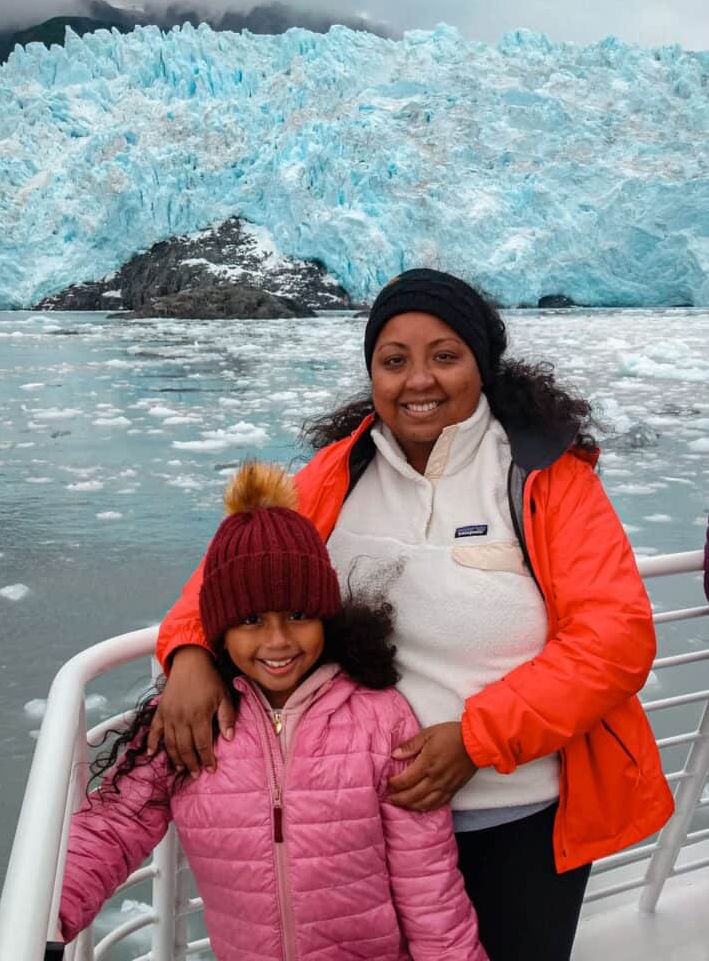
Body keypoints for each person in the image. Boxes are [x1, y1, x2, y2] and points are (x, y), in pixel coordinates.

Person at [149, 269, 674, 960]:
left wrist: (478, 738)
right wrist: (187, 652)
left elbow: (613, 641)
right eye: (394, 361)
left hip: (514, 820)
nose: (418, 380)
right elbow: (226, 577)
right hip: (360, 826)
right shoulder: (338, 473)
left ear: (481, 366)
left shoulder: (546, 478)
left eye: (444, 356)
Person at [58, 461, 487, 960]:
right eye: (252, 620)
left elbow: (428, 885)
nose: (277, 640)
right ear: (219, 627)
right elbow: (112, 829)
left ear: (325, 615)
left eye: (298, 616)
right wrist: (45, 917)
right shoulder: (191, 724)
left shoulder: (379, 718)